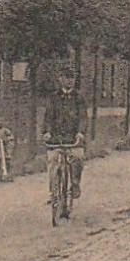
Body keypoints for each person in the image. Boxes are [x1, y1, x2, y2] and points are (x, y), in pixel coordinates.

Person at [43, 67, 87, 212]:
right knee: (52, 160)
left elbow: (82, 117)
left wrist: (80, 132)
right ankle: (53, 192)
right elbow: (48, 116)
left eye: (72, 77)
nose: (70, 81)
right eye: (67, 77)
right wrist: (47, 132)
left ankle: (74, 184)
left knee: (78, 158)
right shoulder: (53, 97)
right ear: (60, 79)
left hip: (73, 138)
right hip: (56, 138)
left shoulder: (78, 98)